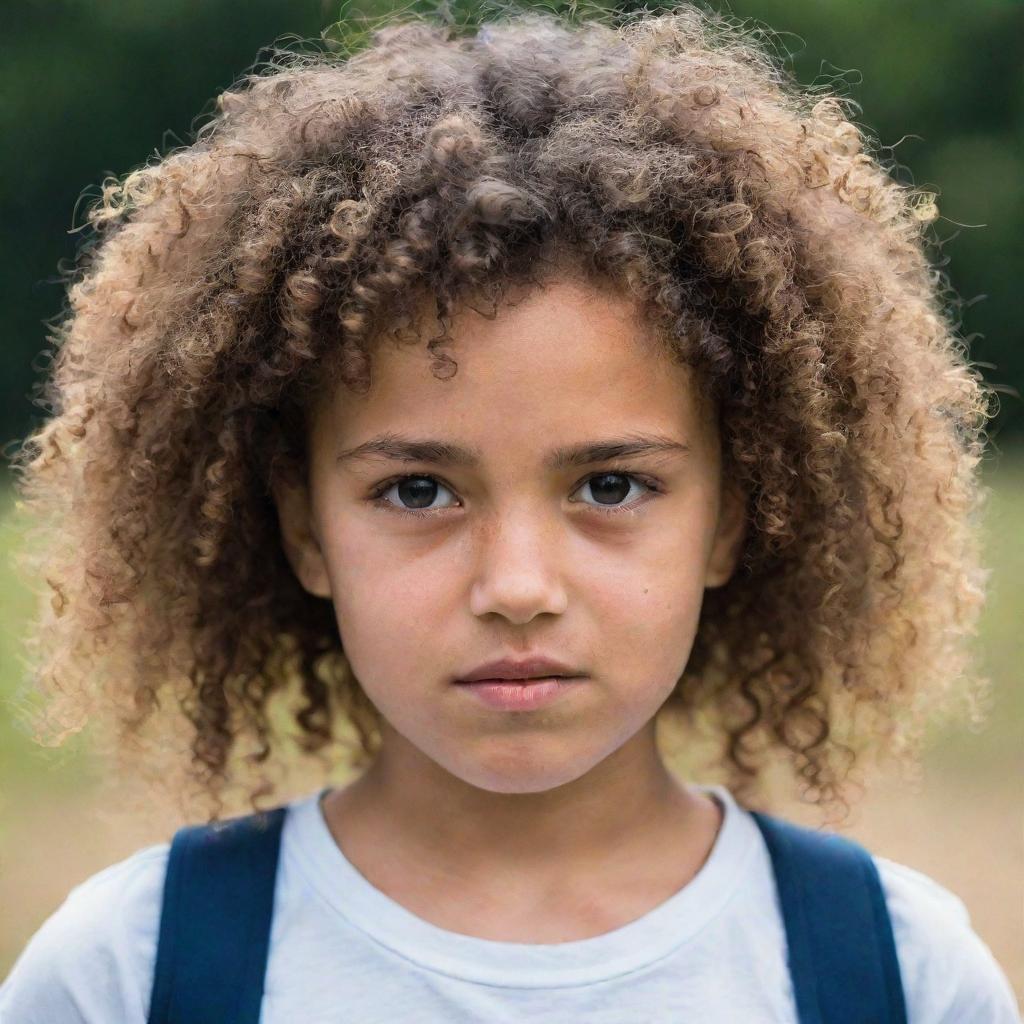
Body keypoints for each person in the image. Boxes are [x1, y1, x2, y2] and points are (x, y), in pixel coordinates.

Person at [1, 3, 1019, 1021]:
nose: (518, 587)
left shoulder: (896, 974)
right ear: (306, 527)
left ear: (731, 517)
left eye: (611, 485)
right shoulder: (130, 974)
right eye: (417, 490)